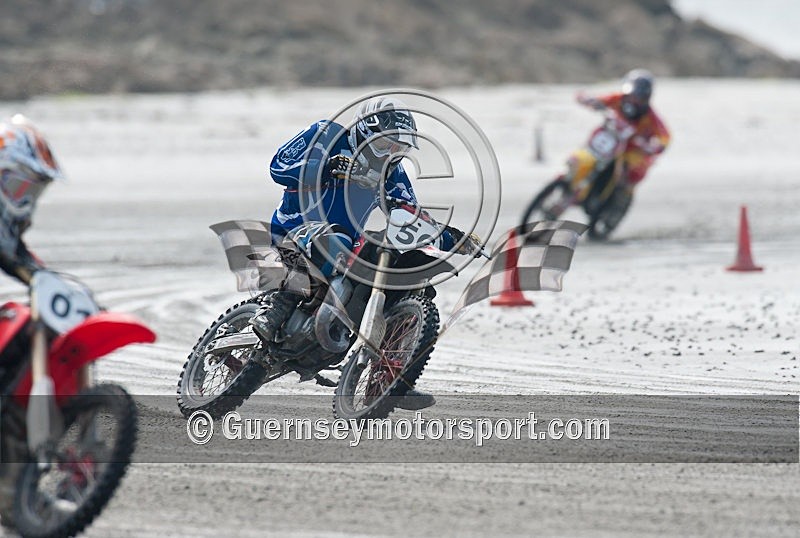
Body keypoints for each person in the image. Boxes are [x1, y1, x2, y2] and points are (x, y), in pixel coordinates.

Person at [249, 97, 477, 409]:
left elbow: (409, 212)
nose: (391, 155)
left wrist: (450, 236)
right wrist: (325, 167)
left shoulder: (393, 175)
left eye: (399, 149)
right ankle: (276, 308)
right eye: (386, 145)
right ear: (365, 132)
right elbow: (278, 166)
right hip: (296, 225)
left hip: (347, 241)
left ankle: (397, 378)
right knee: (332, 239)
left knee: (406, 277)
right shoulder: (326, 135)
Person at [577, 69, 671, 188]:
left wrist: (656, 146)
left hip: (631, 148)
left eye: (638, 96)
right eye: (631, 95)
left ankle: (621, 190)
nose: (632, 99)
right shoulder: (619, 98)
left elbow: (664, 136)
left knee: (634, 166)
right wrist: (589, 100)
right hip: (611, 137)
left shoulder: (650, 117)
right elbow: (600, 100)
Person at [0, 114, 61, 286]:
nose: (26, 202)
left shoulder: (8, 243)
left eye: (31, 191)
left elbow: (39, 277)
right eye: (17, 187)